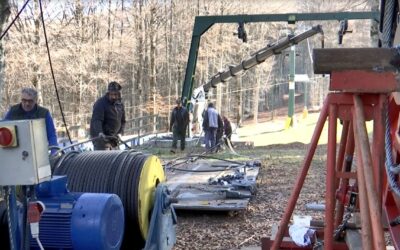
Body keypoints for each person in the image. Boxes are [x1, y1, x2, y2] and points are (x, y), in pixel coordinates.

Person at [4, 87, 58, 152]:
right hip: (16, 151)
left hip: (38, 150)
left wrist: (54, 152)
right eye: (24, 100)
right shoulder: (13, 111)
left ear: (35, 100)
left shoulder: (44, 113)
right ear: (21, 99)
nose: (27, 103)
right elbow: (3, 127)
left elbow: (51, 135)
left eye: (30, 101)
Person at [90, 81, 126, 150]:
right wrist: (100, 132)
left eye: (115, 94)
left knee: (116, 158)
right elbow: (97, 120)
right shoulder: (100, 103)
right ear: (108, 93)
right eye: (111, 94)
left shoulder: (120, 105)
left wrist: (120, 133)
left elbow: (123, 121)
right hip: (101, 139)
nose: (113, 97)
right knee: (104, 158)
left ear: (118, 94)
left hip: (114, 138)